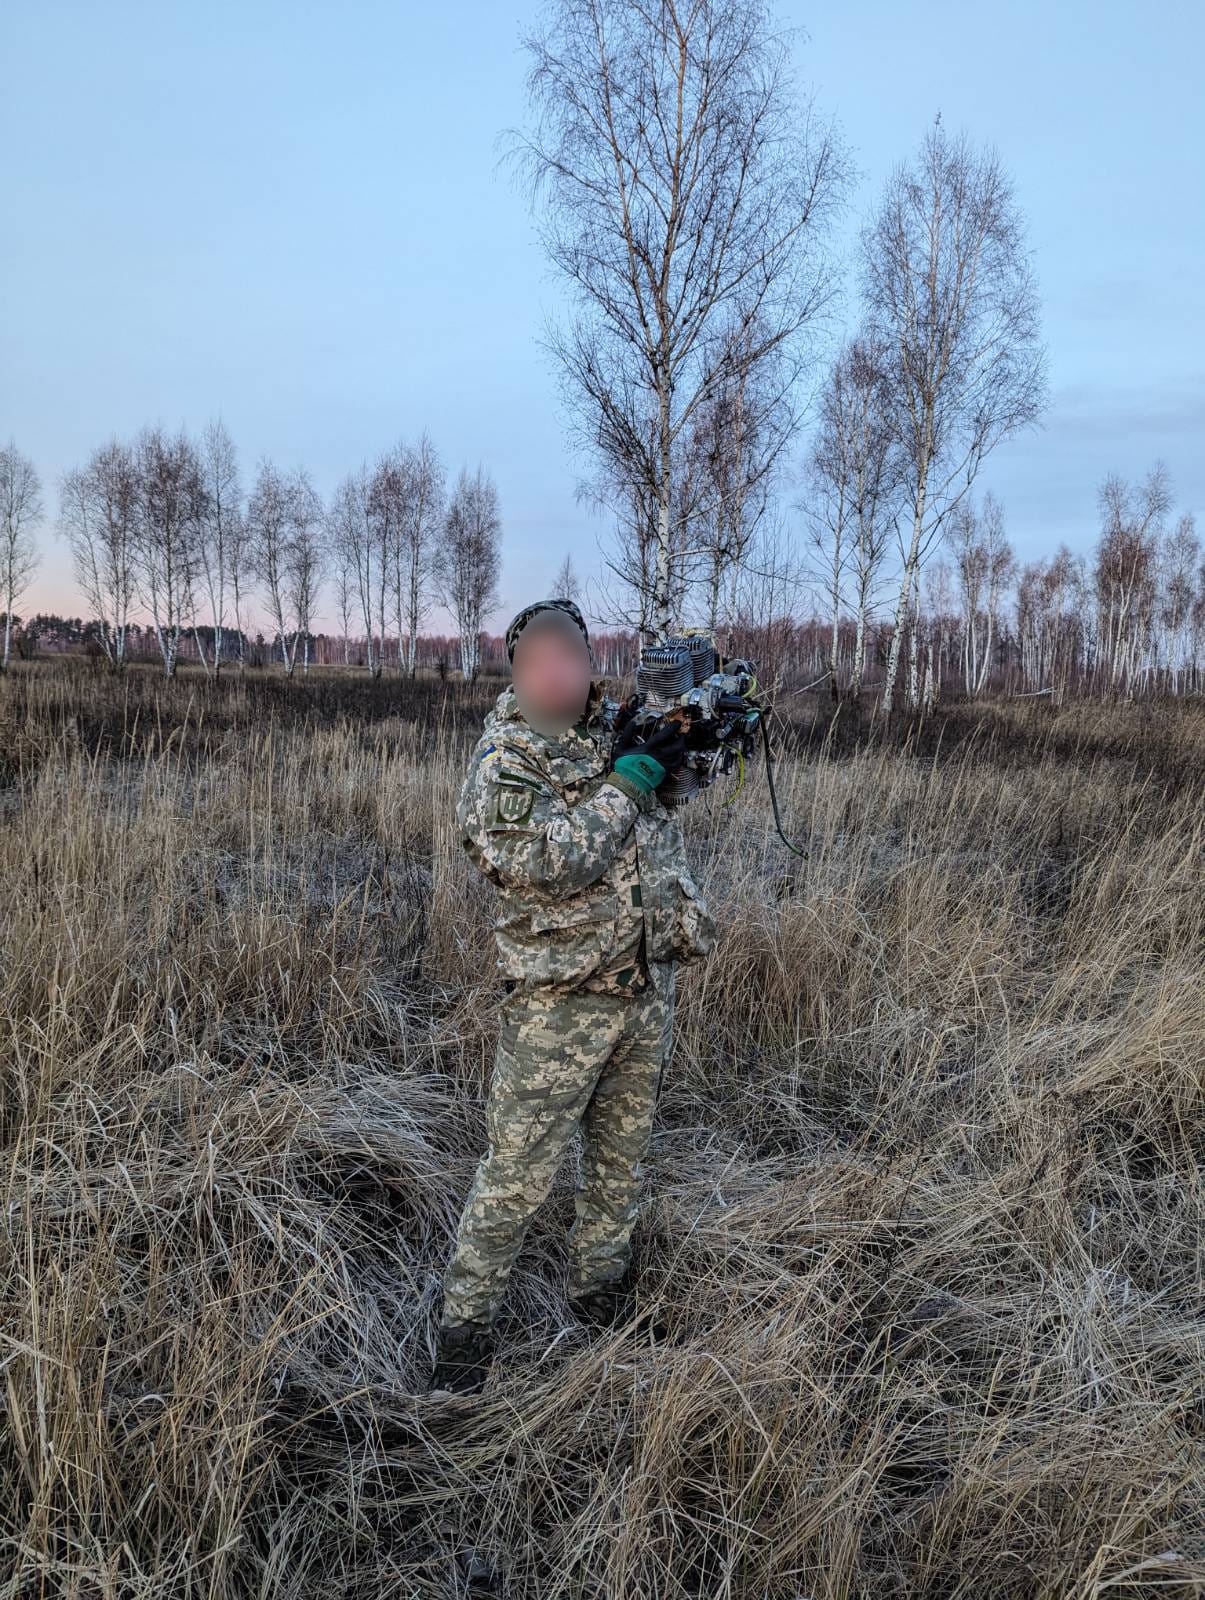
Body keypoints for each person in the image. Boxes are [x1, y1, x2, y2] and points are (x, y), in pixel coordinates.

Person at [429, 597, 716, 1396]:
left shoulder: (614, 736)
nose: (558, 672)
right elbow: (552, 861)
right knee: (517, 1177)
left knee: (619, 1166)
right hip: (558, 1009)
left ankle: (601, 1300)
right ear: (516, 676)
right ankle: (463, 1335)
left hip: (640, 989)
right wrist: (628, 783)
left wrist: (691, 745)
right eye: (538, 661)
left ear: (593, 665)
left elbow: (663, 808)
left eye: (572, 656)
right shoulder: (506, 763)